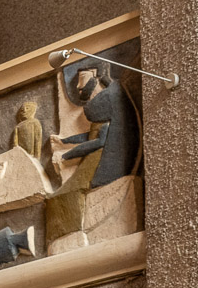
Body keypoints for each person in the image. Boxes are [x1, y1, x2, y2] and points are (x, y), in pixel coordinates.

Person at [47, 61, 139, 249]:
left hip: (103, 161)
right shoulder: (109, 101)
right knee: (63, 193)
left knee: (64, 194)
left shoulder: (108, 99)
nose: (78, 87)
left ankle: (70, 238)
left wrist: (66, 156)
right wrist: (64, 142)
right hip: (99, 156)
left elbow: (98, 141)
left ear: (97, 77)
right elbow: (91, 135)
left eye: (83, 79)